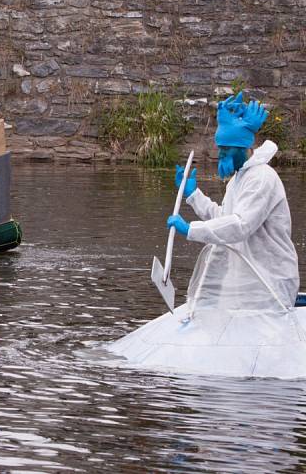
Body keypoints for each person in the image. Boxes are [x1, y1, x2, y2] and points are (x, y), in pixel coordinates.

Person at [107, 92, 304, 378]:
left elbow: (240, 226)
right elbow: (224, 218)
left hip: (268, 282)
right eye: (219, 150)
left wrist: (191, 230)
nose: (220, 156)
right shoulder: (239, 179)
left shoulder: (262, 179)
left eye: (225, 151)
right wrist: (192, 196)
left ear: (241, 148)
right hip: (246, 284)